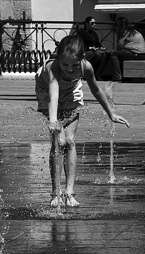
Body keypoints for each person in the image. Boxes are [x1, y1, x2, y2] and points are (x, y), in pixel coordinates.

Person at [35, 35, 129, 208]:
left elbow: (96, 90)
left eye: (75, 65)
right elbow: (53, 97)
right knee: (58, 142)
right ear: (58, 58)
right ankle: (55, 192)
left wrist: (111, 113)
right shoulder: (53, 68)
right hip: (47, 92)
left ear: (82, 59)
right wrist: (54, 123)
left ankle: (69, 193)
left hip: (71, 92)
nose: (70, 69)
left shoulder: (86, 67)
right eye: (65, 64)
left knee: (70, 141)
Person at [110, 17, 145, 81]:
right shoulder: (132, 31)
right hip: (142, 53)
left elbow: (119, 47)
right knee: (121, 54)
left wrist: (120, 38)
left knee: (113, 54)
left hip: (137, 53)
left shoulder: (126, 32)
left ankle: (117, 76)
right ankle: (124, 76)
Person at [78, 16, 108, 81]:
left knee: (104, 55)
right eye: (92, 23)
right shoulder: (82, 33)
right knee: (98, 55)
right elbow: (81, 44)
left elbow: (97, 42)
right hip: (86, 51)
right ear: (87, 24)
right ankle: (88, 73)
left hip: (94, 50)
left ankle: (97, 73)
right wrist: (90, 48)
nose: (94, 24)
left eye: (94, 23)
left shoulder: (93, 33)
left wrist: (101, 47)